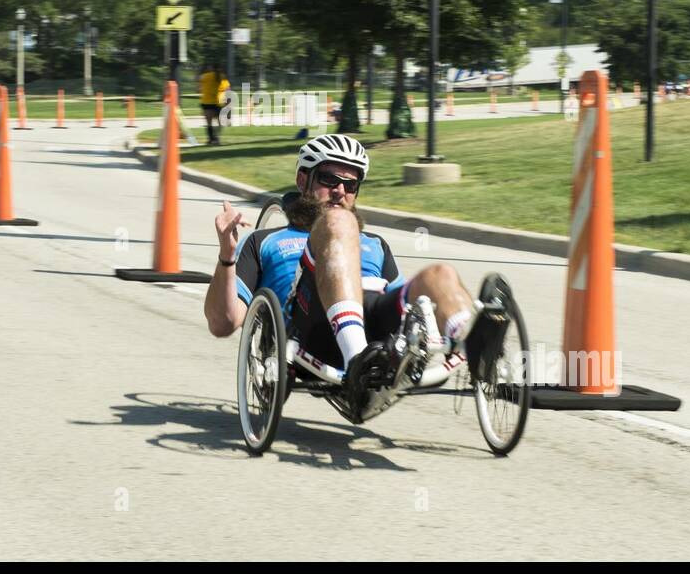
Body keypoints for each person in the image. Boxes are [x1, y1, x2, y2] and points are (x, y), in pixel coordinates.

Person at [204, 133, 497, 416]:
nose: (340, 191)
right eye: (329, 179)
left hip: (375, 320)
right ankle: (357, 357)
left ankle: (474, 346)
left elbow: (403, 304)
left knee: (439, 273)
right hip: (310, 323)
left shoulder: (376, 245)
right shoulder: (264, 241)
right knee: (338, 222)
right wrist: (226, 256)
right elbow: (223, 323)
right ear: (302, 179)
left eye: (351, 184)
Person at [197, 62, 230, 145]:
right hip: (219, 103)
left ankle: (211, 139)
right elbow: (228, 92)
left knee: (209, 123)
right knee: (221, 122)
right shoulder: (223, 78)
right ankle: (216, 138)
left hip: (207, 102)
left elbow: (198, 87)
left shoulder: (206, 76)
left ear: (212, 68)